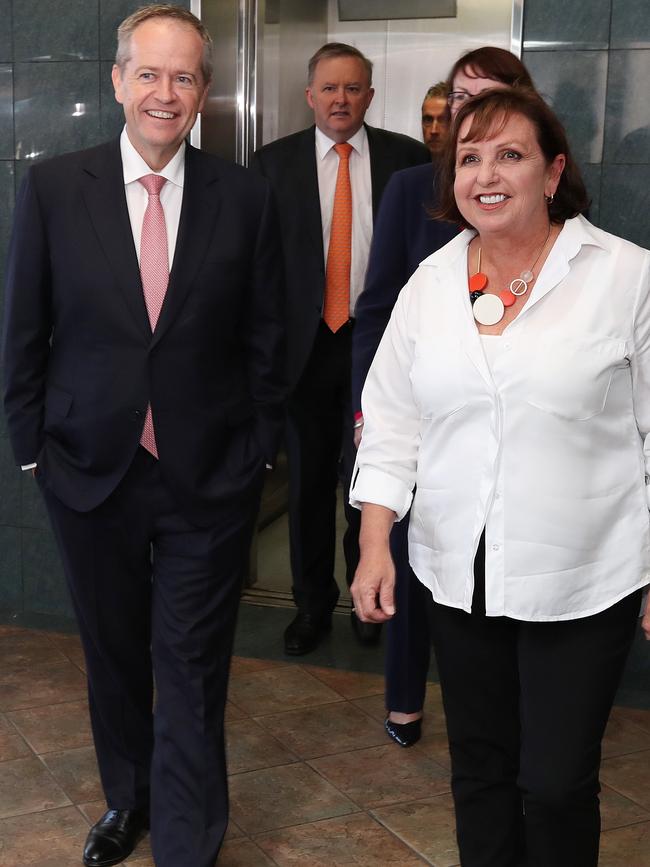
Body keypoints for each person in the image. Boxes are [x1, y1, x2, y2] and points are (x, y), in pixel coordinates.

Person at [2, 6, 285, 867]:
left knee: (194, 666)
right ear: (119, 80)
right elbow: (25, 329)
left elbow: (269, 336)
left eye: (186, 76)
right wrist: (32, 449)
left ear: (205, 91)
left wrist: (258, 448)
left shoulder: (245, 197)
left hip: (208, 475)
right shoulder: (55, 188)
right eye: (151, 74)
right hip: (89, 472)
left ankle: (189, 842)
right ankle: (130, 799)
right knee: (115, 656)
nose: (168, 93)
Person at [350, 86, 650, 866]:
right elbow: (390, 419)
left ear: (552, 173)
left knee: (553, 782)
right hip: (459, 572)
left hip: (585, 575)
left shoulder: (626, 277)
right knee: (479, 770)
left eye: (508, 154)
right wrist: (376, 539)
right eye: (468, 157)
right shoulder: (431, 283)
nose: (486, 173)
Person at [352, 47, 536, 749]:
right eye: (459, 98)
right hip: (418, 420)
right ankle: (404, 698)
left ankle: (510, 705)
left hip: (509, 427)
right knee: (401, 553)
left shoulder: (551, 201)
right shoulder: (408, 190)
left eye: (487, 96)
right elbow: (376, 314)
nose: (468, 112)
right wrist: (366, 416)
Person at [252, 42, 429, 656]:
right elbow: (259, 267)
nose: (340, 99)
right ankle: (309, 605)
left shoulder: (409, 161)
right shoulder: (271, 164)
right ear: (310, 96)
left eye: (353, 88)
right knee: (304, 486)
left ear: (370, 97)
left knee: (367, 482)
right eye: (329, 88)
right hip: (304, 351)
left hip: (377, 348)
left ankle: (366, 598)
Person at [421, 81, 449, 157]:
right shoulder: (409, 163)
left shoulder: (474, 166)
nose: (433, 130)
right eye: (428, 120)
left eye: (443, 120)